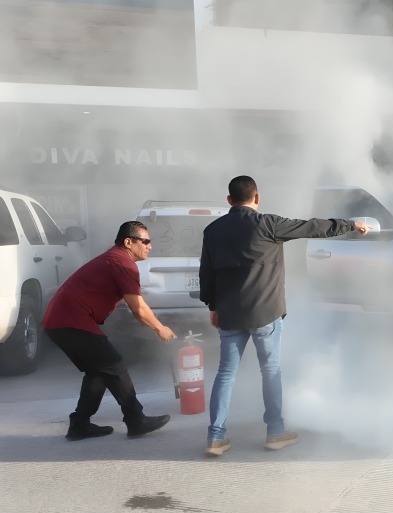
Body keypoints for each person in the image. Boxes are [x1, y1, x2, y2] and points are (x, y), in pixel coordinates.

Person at [199, 175, 370, 458]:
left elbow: (207, 273)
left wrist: (213, 307)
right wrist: (351, 224)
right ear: (257, 197)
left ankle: (215, 438)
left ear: (229, 201)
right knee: (271, 371)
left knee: (226, 373)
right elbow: (312, 227)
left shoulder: (213, 230)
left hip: (230, 313)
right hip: (265, 313)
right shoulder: (268, 224)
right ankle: (275, 433)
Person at [43, 221, 176, 441]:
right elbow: (139, 309)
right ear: (128, 242)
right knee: (114, 365)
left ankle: (80, 424)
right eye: (145, 241)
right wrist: (159, 328)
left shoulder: (116, 259)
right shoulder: (122, 262)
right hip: (70, 321)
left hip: (61, 322)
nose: (150, 246)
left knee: (99, 370)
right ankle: (135, 420)